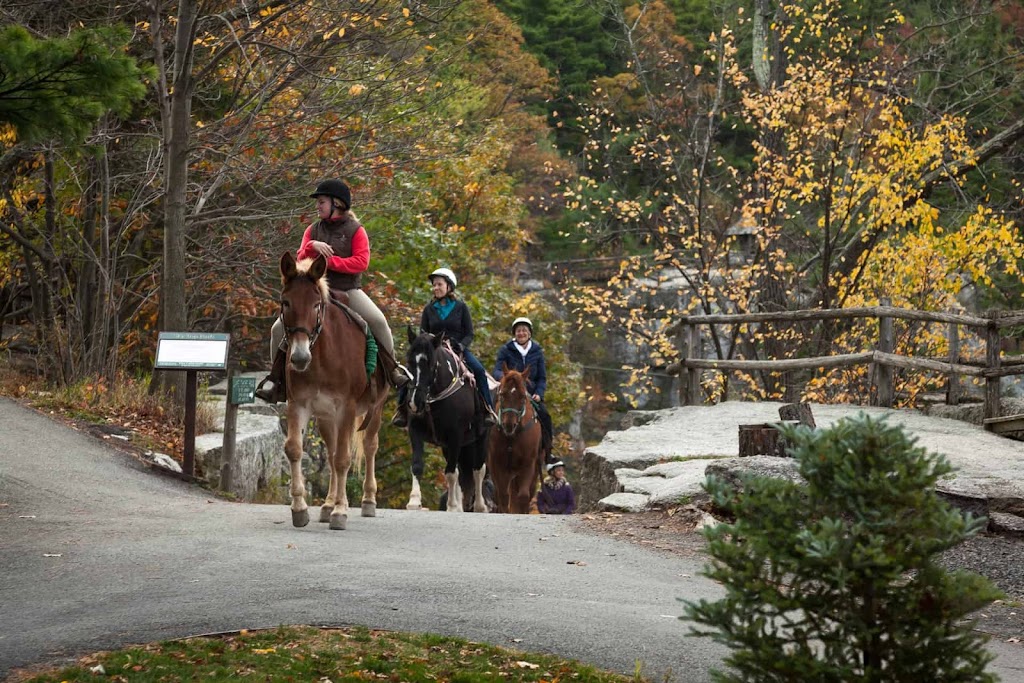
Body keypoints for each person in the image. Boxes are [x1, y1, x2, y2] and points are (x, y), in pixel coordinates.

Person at [255, 179, 409, 403]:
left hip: (347, 289)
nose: (318, 206)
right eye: (318, 202)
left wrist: (331, 262)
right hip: (314, 292)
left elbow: (362, 262)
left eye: (322, 202)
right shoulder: (313, 229)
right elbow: (300, 257)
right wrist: (312, 246)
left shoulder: (356, 231)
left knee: (378, 321)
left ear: (337, 204)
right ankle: (277, 380)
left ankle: (392, 368)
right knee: (277, 329)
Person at [392, 267, 495, 427]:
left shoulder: (461, 307)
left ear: (449, 286)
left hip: (457, 348)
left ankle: (487, 409)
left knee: (479, 371)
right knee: (411, 372)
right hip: (434, 350)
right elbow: (423, 333)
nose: (436, 288)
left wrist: (461, 346)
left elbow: (469, 333)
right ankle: (401, 410)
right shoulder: (429, 309)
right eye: (434, 285)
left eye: (439, 284)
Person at [492, 317, 553, 459]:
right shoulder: (506, 349)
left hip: (529, 394)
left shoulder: (537, 351)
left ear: (529, 333)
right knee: (488, 414)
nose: (521, 333)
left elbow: (542, 377)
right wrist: (510, 377)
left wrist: (539, 393)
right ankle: (484, 454)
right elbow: (496, 371)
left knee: (545, 416)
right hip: (508, 392)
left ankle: (548, 452)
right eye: (518, 330)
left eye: (524, 330)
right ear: (514, 333)